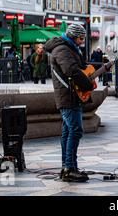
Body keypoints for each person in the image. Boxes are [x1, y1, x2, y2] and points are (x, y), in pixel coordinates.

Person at [44, 24, 95, 183]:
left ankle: (68, 167)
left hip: (70, 95)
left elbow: (78, 68)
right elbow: (71, 71)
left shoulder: (67, 48)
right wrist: (87, 84)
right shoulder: (62, 50)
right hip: (68, 95)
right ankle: (69, 169)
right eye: (81, 38)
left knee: (68, 131)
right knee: (75, 130)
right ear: (73, 36)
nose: (82, 41)